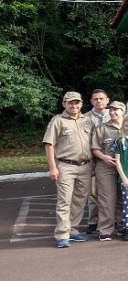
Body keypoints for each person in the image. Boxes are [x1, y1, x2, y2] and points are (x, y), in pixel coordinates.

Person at [44, 91, 93, 248]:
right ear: (64, 104)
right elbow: (49, 144)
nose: (74, 105)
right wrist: (53, 167)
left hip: (85, 166)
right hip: (65, 166)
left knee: (79, 200)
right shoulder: (58, 121)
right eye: (70, 102)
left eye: (77, 102)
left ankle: (73, 230)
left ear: (81, 103)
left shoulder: (87, 120)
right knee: (65, 201)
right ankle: (62, 234)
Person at [89, 100, 125, 240]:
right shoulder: (102, 128)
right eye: (111, 110)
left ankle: (122, 225)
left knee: (123, 198)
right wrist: (104, 157)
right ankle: (105, 229)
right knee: (107, 199)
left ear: (123, 111)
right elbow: (94, 148)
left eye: (116, 110)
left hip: (125, 167)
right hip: (106, 167)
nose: (113, 112)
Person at [84, 89, 110, 234]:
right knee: (93, 192)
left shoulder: (113, 115)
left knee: (110, 193)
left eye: (101, 98)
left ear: (107, 100)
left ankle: (111, 220)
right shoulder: (85, 118)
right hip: (92, 159)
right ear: (91, 101)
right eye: (96, 99)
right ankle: (93, 221)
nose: (99, 101)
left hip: (111, 158)